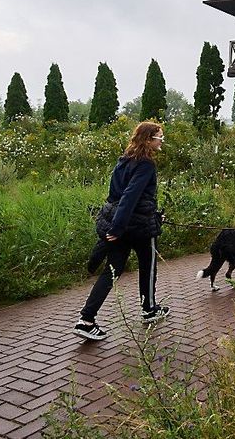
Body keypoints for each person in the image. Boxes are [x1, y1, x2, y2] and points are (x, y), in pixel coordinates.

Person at [74, 121, 170, 340]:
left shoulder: (123, 160)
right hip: (138, 228)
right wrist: (118, 227)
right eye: (159, 137)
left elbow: (115, 196)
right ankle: (149, 309)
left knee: (111, 271)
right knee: (149, 267)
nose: (161, 141)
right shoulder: (146, 164)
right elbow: (130, 197)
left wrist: (116, 226)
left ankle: (86, 320)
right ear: (148, 139)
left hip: (121, 224)